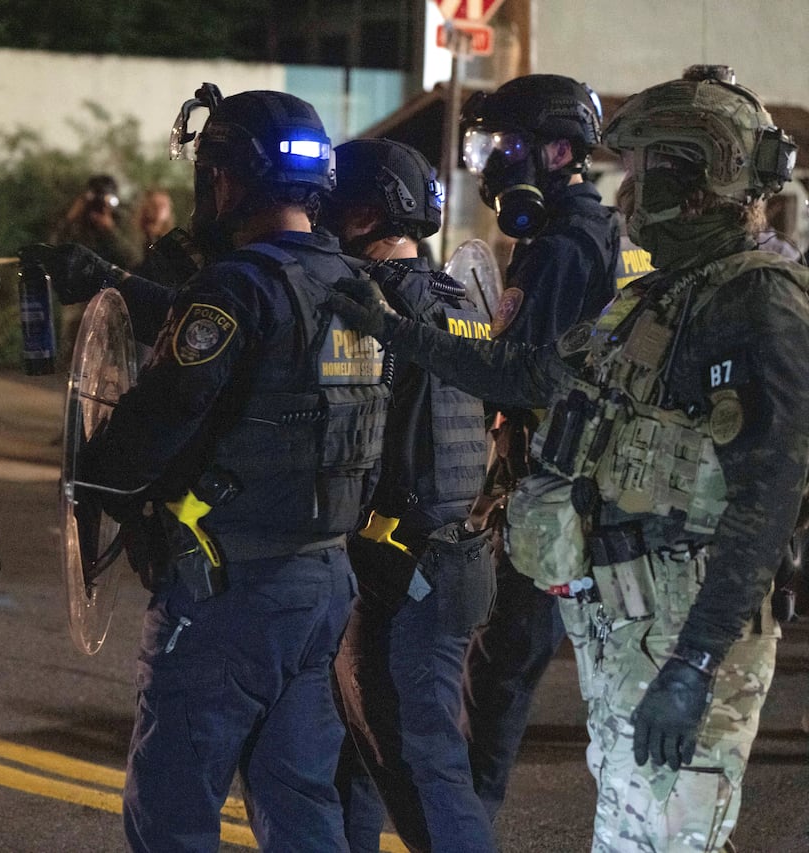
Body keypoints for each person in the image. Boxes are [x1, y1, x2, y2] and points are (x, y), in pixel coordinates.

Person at [328, 65, 807, 853]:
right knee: (629, 835)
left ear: (702, 175)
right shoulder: (654, 297)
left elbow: (770, 498)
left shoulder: (763, 302)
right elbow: (531, 374)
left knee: (672, 836)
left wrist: (693, 666)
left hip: (686, 636)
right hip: (625, 632)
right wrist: (394, 331)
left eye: (648, 170)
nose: (627, 191)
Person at [50, 87, 386, 851]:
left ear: (229, 179)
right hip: (327, 579)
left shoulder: (234, 288)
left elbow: (156, 424)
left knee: (174, 803)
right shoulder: (356, 284)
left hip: (231, 588)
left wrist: (97, 468)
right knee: (301, 800)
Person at [323, 139, 496, 853]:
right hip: (454, 557)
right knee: (358, 757)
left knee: (423, 768)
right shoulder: (458, 298)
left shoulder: (378, 307)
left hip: (405, 573)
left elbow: (349, 432)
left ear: (362, 215)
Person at [457, 72, 621, 820]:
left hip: (556, 493)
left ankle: (465, 828)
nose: (493, 163)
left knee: (496, 681)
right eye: (487, 146)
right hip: (595, 490)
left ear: (559, 151)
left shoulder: (559, 248)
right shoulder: (606, 231)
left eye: (507, 146)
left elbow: (516, 377)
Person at [51, 174, 140, 365]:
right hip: (79, 295)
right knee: (74, 354)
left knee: (111, 356)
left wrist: (109, 230)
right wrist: (71, 218)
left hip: (113, 293)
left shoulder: (121, 220)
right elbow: (56, 248)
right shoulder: (77, 222)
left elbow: (132, 256)